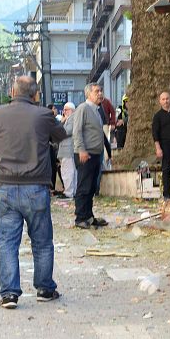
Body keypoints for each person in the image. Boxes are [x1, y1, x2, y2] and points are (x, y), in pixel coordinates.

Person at [0, 76, 67, 309]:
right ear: (36, 94)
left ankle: (9, 294)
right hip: (35, 185)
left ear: (12, 92)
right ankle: (44, 288)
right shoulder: (44, 115)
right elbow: (60, 136)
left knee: (8, 242)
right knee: (42, 241)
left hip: (3, 184)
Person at [71, 82, 108, 229]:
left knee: (92, 187)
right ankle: (80, 217)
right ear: (88, 94)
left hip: (96, 153)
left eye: (101, 91)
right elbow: (77, 131)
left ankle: (89, 216)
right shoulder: (83, 108)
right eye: (97, 91)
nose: (100, 93)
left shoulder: (98, 110)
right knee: (84, 187)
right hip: (85, 154)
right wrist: (81, 150)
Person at [58, 102, 77, 199]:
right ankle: (70, 191)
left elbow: (65, 132)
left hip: (68, 149)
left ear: (72, 110)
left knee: (68, 172)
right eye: (64, 109)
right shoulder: (67, 119)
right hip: (65, 149)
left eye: (66, 109)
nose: (64, 112)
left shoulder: (72, 118)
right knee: (67, 171)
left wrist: (61, 122)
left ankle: (69, 192)